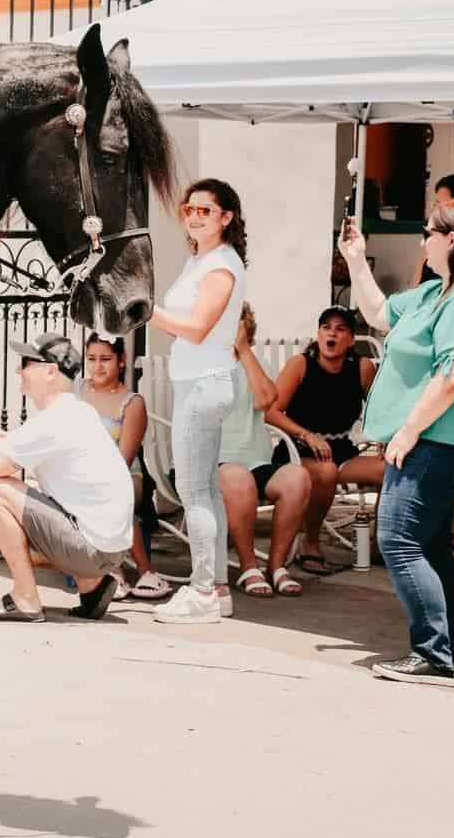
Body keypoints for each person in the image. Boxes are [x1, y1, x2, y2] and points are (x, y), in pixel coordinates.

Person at [338, 200, 454, 685]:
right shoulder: (434, 292)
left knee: (398, 537)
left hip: (437, 440)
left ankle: (432, 656)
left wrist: (409, 429)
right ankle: (439, 649)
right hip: (423, 439)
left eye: (427, 233)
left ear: (451, 239)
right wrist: (354, 256)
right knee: (427, 544)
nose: (422, 241)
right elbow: (377, 312)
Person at [0, 335, 132, 622]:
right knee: (12, 496)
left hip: (92, 550)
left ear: (51, 371)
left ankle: (25, 598)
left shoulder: (54, 420)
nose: (19, 371)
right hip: (109, 550)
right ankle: (92, 585)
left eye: (26, 363)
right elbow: (10, 443)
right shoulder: (75, 411)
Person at [147, 178, 248, 624]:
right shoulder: (201, 260)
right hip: (197, 381)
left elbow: (198, 327)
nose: (193, 216)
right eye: (189, 209)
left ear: (226, 218)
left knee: (194, 491)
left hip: (205, 382)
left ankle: (204, 590)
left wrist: (146, 310)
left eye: (205, 211)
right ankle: (217, 589)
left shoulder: (221, 265)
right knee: (203, 489)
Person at [268, 305, 384, 577]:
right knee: (326, 472)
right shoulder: (301, 364)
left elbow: (382, 409)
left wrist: (387, 436)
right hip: (298, 451)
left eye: (340, 329)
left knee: (392, 468)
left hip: (342, 449)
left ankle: (381, 543)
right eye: (326, 328)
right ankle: (310, 542)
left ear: (351, 339)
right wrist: (306, 434)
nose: (332, 334)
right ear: (318, 334)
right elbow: (271, 412)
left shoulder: (362, 367)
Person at [217, 304, 312, 597]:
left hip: (256, 460)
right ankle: (248, 566)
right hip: (214, 461)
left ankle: (276, 565)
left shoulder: (253, 363)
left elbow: (267, 401)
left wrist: (244, 352)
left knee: (298, 478)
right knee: (239, 478)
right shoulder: (203, 364)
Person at [76, 335, 161, 598]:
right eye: (91, 359)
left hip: (124, 474)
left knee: (109, 491)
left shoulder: (132, 402)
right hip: (81, 473)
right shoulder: (78, 391)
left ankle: (146, 572)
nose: (97, 366)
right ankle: (112, 572)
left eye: (105, 359)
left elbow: (123, 460)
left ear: (121, 362)